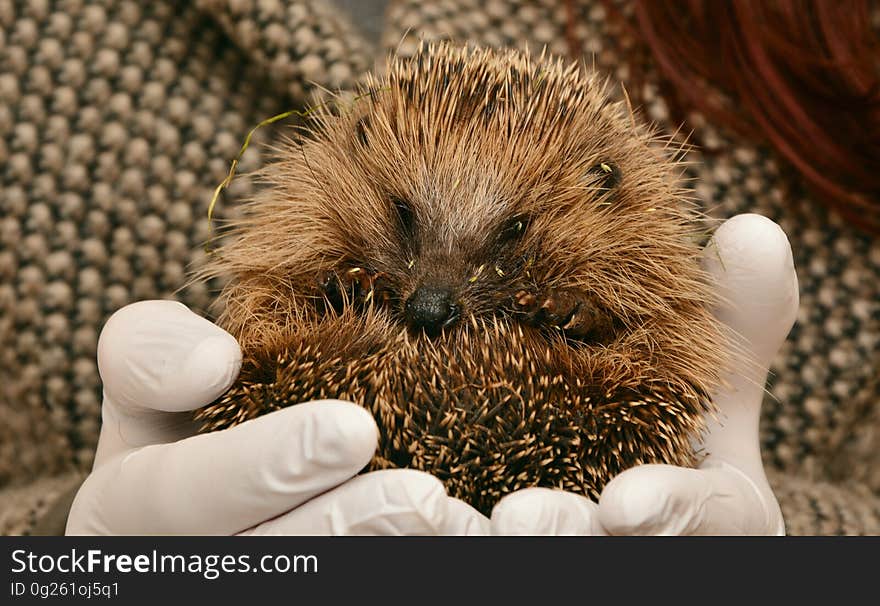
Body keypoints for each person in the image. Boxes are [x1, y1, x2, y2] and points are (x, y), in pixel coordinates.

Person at [66, 213, 797, 535]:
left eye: (511, 236)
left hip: (577, 439)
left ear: (604, 189)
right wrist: (66, 565)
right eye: (408, 222)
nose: (432, 296)